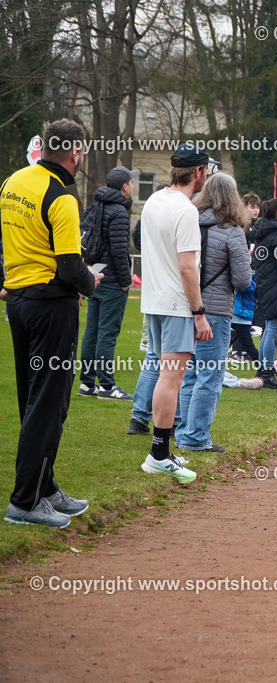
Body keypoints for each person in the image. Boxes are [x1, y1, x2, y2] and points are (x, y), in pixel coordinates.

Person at [1, 118, 100, 527]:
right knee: (49, 404)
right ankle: (25, 501)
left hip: (19, 302)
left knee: (32, 399)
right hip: (51, 306)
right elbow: (69, 265)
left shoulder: (13, 182)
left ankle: (44, 486)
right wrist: (90, 282)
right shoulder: (61, 196)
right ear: (75, 152)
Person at [139, 142, 217, 484]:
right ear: (197, 172)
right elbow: (188, 267)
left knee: (164, 376)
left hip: (154, 300)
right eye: (206, 171)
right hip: (174, 304)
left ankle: (161, 450)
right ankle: (158, 454)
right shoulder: (186, 210)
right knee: (173, 379)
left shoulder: (155, 200)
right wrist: (199, 312)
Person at [175, 173, 252, 452]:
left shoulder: (189, 223)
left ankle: (184, 430)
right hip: (216, 310)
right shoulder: (233, 232)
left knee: (189, 373)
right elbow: (243, 280)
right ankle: (195, 437)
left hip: (188, 307)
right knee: (209, 375)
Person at [77, 165, 138, 400]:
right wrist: (125, 281)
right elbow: (120, 251)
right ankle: (106, 386)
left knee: (92, 331)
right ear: (124, 187)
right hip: (112, 280)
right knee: (107, 334)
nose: (134, 186)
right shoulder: (120, 212)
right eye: (132, 183)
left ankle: (87, 383)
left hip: (95, 277)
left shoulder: (97, 206)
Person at [251, 198, 277, 388]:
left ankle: (263, 368)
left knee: (268, 327)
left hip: (265, 284)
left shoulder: (262, 232)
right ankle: (267, 372)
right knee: (272, 328)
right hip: (275, 285)